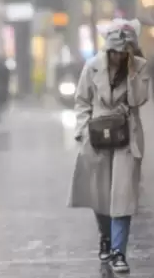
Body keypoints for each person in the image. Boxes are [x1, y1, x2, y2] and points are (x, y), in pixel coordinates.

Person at [69, 19, 149, 273]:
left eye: (122, 52)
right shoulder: (92, 67)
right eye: (114, 51)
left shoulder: (139, 67)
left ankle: (118, 251)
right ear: (107, 50)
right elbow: (82, 101)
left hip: (127, 138)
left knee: (122, 197)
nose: (117, 56)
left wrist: (133, 71)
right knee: (101, 196)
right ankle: (105, 237)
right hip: (97, 138)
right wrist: (83, 132)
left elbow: (139, 100)